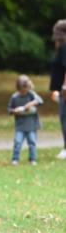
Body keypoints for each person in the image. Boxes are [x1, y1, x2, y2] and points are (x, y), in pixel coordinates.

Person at [9, 75, 43, 165]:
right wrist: (15, 111)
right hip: (20, 125)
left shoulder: (31, 94)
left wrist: (31, 103)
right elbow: (10, 109)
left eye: (25, 91)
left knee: (32, 142)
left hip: (31, 125)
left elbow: (40, 101)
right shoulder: (14, 97)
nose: (24, 93)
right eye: (22, 91)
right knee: (17, 142)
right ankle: (15, 159)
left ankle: (32, 159)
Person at [49, 19, 66, 160]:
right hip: (61, 89)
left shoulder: (65, 47)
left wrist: (64, 87)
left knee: (64, 117)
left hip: (65, 89)